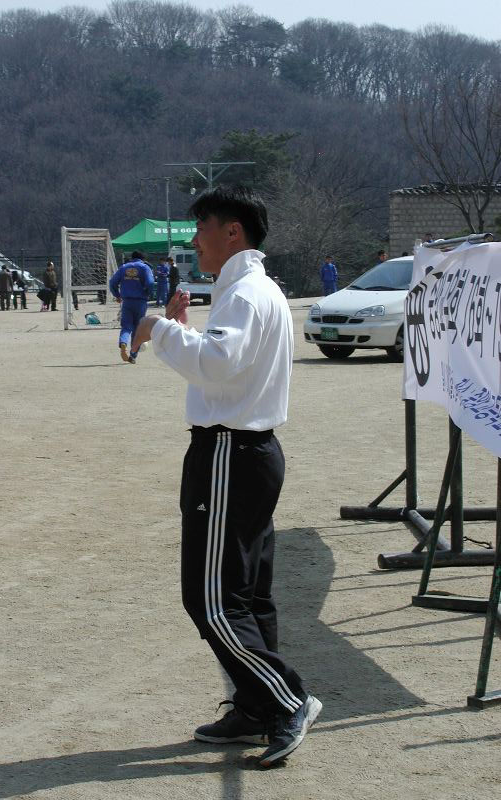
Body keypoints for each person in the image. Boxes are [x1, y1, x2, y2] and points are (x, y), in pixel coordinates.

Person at [132, 185, 322, 768]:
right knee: (247, 594)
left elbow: (215, 366)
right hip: (249, 452)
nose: (195, 240)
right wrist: (179, 330)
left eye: (203, 227)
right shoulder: (256, 289)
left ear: (232, 232)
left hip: (228, 455)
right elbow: (226, 365)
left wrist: (158, 330)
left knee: (211, 600)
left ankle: (286, 701)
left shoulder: (243, 294)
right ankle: (255, 706)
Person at [109, 250, 154, 364]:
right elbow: (150, 283)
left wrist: (117, 295)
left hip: (127, 301)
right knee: (138, 328)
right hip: (140, 301)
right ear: (142, 259)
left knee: (126, 326)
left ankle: (123, 342)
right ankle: (133, 355)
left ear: (131, 258)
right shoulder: (145, 267)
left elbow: (112, 282)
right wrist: (147, 293)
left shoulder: (123, 267)